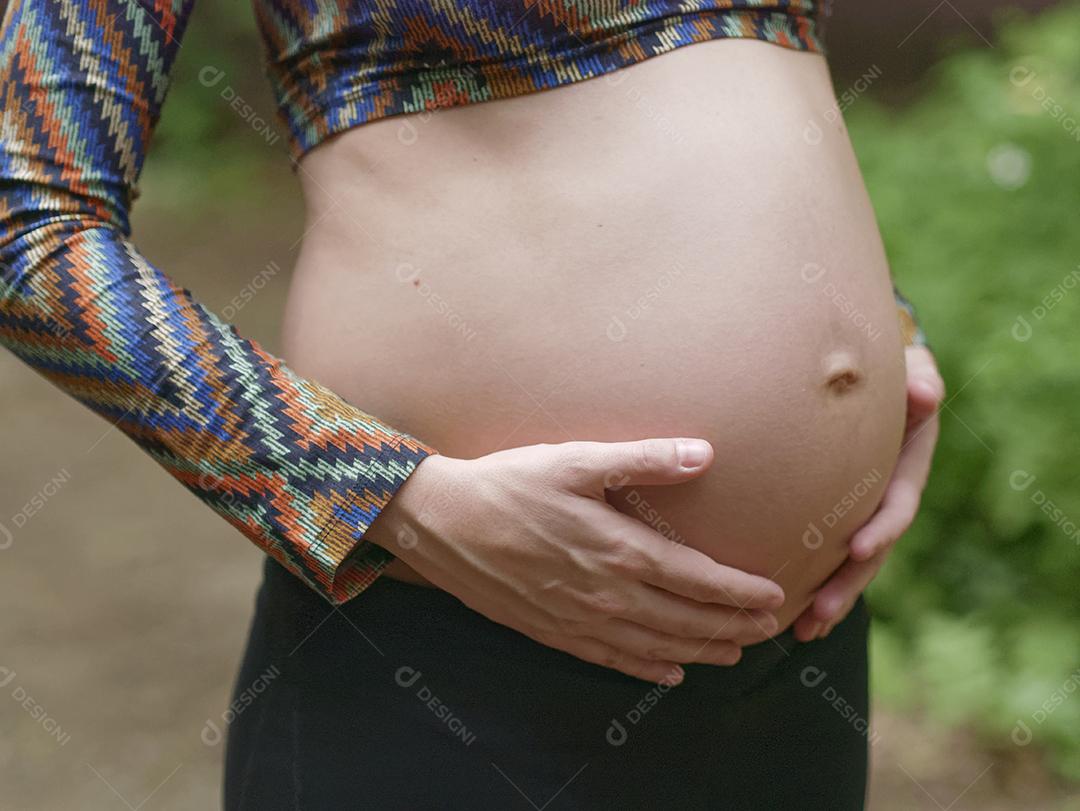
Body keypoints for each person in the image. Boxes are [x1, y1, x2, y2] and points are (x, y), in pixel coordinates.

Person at [0, 1, 944, 808]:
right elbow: (25, 220)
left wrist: (874, 335)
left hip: (793, 659)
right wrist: (378, 494)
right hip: (452, 648)